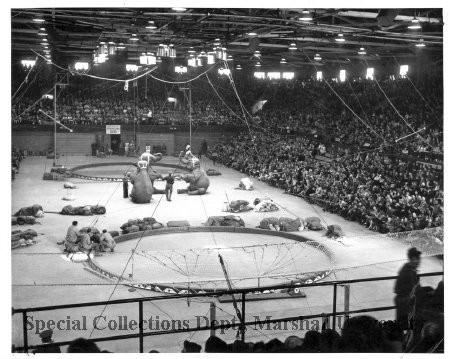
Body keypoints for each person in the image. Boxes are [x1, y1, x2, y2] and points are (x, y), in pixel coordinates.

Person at [394, 247, 422, 332]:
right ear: (410, 259)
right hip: (405, 302)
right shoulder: (407, 272)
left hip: (406, 301)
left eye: (418, 259)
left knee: (406, 328)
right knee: (405, 327)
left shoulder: (411, 270)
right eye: (415, 259)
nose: (417, 261)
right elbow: (411, 289)